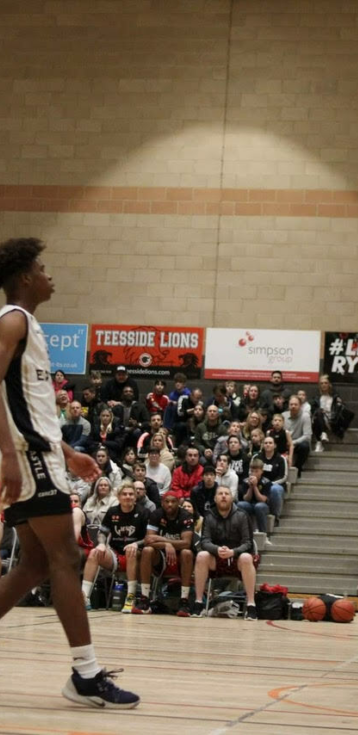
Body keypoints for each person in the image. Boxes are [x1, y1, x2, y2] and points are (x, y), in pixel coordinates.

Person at [0, 237, 139, 707]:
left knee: (35, 564)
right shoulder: (13, 320)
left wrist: (66, 451)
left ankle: (85, 672)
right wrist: (7, 454)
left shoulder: (29, 327)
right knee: (66, 559)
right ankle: (85, 674)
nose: (48, 274)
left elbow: (28, 408)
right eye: (41, 267)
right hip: (25, 457)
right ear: (24, 277)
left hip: (39, 454)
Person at [191, 485, 257, 620]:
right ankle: (199, 603)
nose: (223, 496)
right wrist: (216, 549)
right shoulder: (209, 516)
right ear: (215, 499)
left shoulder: (242, 515)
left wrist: (233, 552)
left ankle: (251, 605)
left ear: (231, 498)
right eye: (220, 494)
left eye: (226, 493)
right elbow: (205, 541)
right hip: (216, 558)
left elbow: (248, 543)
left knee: (246, 557)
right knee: (201, 555)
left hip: (237, 558)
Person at [81, 482, 148, 614]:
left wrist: (136, 544)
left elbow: (149, 538)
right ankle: (84, 596)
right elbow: (102, 533)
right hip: (116, 554)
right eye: (124, 494)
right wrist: (101, 543)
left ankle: (131, 597)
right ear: (118, 496)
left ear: (135, 496)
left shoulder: (143, 512)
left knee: (131, 551)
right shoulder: (112, 512)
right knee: (94, 552)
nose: (127, 497)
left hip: (137, 554)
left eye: (131, 494)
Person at [132, 491, 194, 616]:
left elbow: (186, 543)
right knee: (146, 550)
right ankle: (145, 600)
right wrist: (166, 545)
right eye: (167, 501)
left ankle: (184, 601)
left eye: (173, 501)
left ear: (179, 503)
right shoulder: (156, 514)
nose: (170, 504)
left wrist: (164, 540)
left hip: (181, 558)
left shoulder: (186, 515)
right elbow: (149, 541)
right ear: (162, 503)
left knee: (187, 552)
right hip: (161, 556)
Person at [237, 458, 272, 535]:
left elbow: (263, 500)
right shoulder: (245, 481)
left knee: (259, 506)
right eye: (252, 471)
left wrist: (255, 487)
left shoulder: (266, 482)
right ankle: (242, 533)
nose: (253, 473)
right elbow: (246, 498)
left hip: (262, 505)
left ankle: (263, 534)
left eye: (256, 471)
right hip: (250, 504)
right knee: (240, 505)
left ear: (262, 471)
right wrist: (250, 487)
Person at [283, 396, 312, 477]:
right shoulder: (283, 416)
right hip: (285, 443)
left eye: (295, 404)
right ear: (288, 406)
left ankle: (297, 468)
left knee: (305, 446)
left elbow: (307, 436)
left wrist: (293, 442)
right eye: (291, 404)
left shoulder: (305, 416)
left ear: (300, 406)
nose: (293, 406)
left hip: (298, 443)